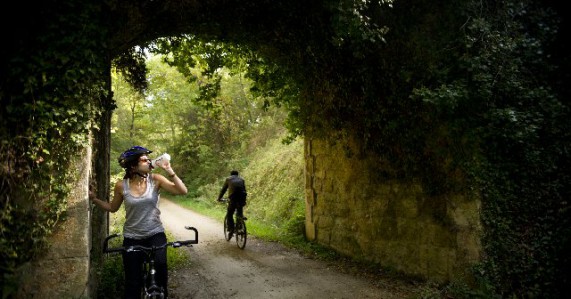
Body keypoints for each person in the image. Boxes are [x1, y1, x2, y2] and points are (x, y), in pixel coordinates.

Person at [90, 145, 187, 299]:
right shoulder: (121, 186)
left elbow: (182, 191)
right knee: (132, 283)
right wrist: (94, 199)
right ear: (133, 165)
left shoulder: (155, 180)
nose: (149, 161)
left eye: (149, 159)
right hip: (132, 237)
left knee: (161, 272)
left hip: (155, 233)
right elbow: (112, 208)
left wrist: (169, 171)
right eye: (144, 159)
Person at [216, 170, 247, 239]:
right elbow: (244, 190)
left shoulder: (228, 179)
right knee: (239, 212)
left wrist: (219, 198)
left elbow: (223, 190)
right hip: (242, 198)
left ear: (231, 175)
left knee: (229, 214)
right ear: (237, 175)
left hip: (233, 199)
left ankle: (231, 229)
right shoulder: (242, 179)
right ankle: (240, 223)